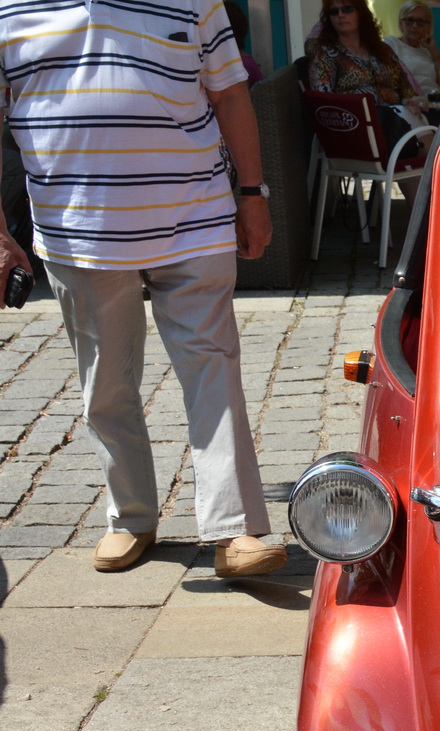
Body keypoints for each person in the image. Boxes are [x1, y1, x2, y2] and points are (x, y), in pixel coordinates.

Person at [0, 0, 284, 577]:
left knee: (213, 366)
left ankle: (235, 529)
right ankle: (131, 516)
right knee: (105, 379)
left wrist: (253, 193)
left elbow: (230, 93)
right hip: (77, 231)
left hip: (194, 218)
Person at [309, 0, 425, 137]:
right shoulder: (326, 55)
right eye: (334, 12)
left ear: (360, 14)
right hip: (357, 127)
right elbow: (324, 105)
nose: (340, 15)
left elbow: (406, 89)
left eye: (347, 9)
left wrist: (411, 104)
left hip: (397, 118)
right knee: (429, 142)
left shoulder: (383, 50)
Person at [385, 1, 440, 103]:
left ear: (428, 26)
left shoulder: (427, 51)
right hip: (411, 104)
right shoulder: (392, 43)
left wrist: (435, 53)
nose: (415, 26)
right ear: (401, 22)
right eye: (409, 20)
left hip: (435, 101)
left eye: (420, 22)